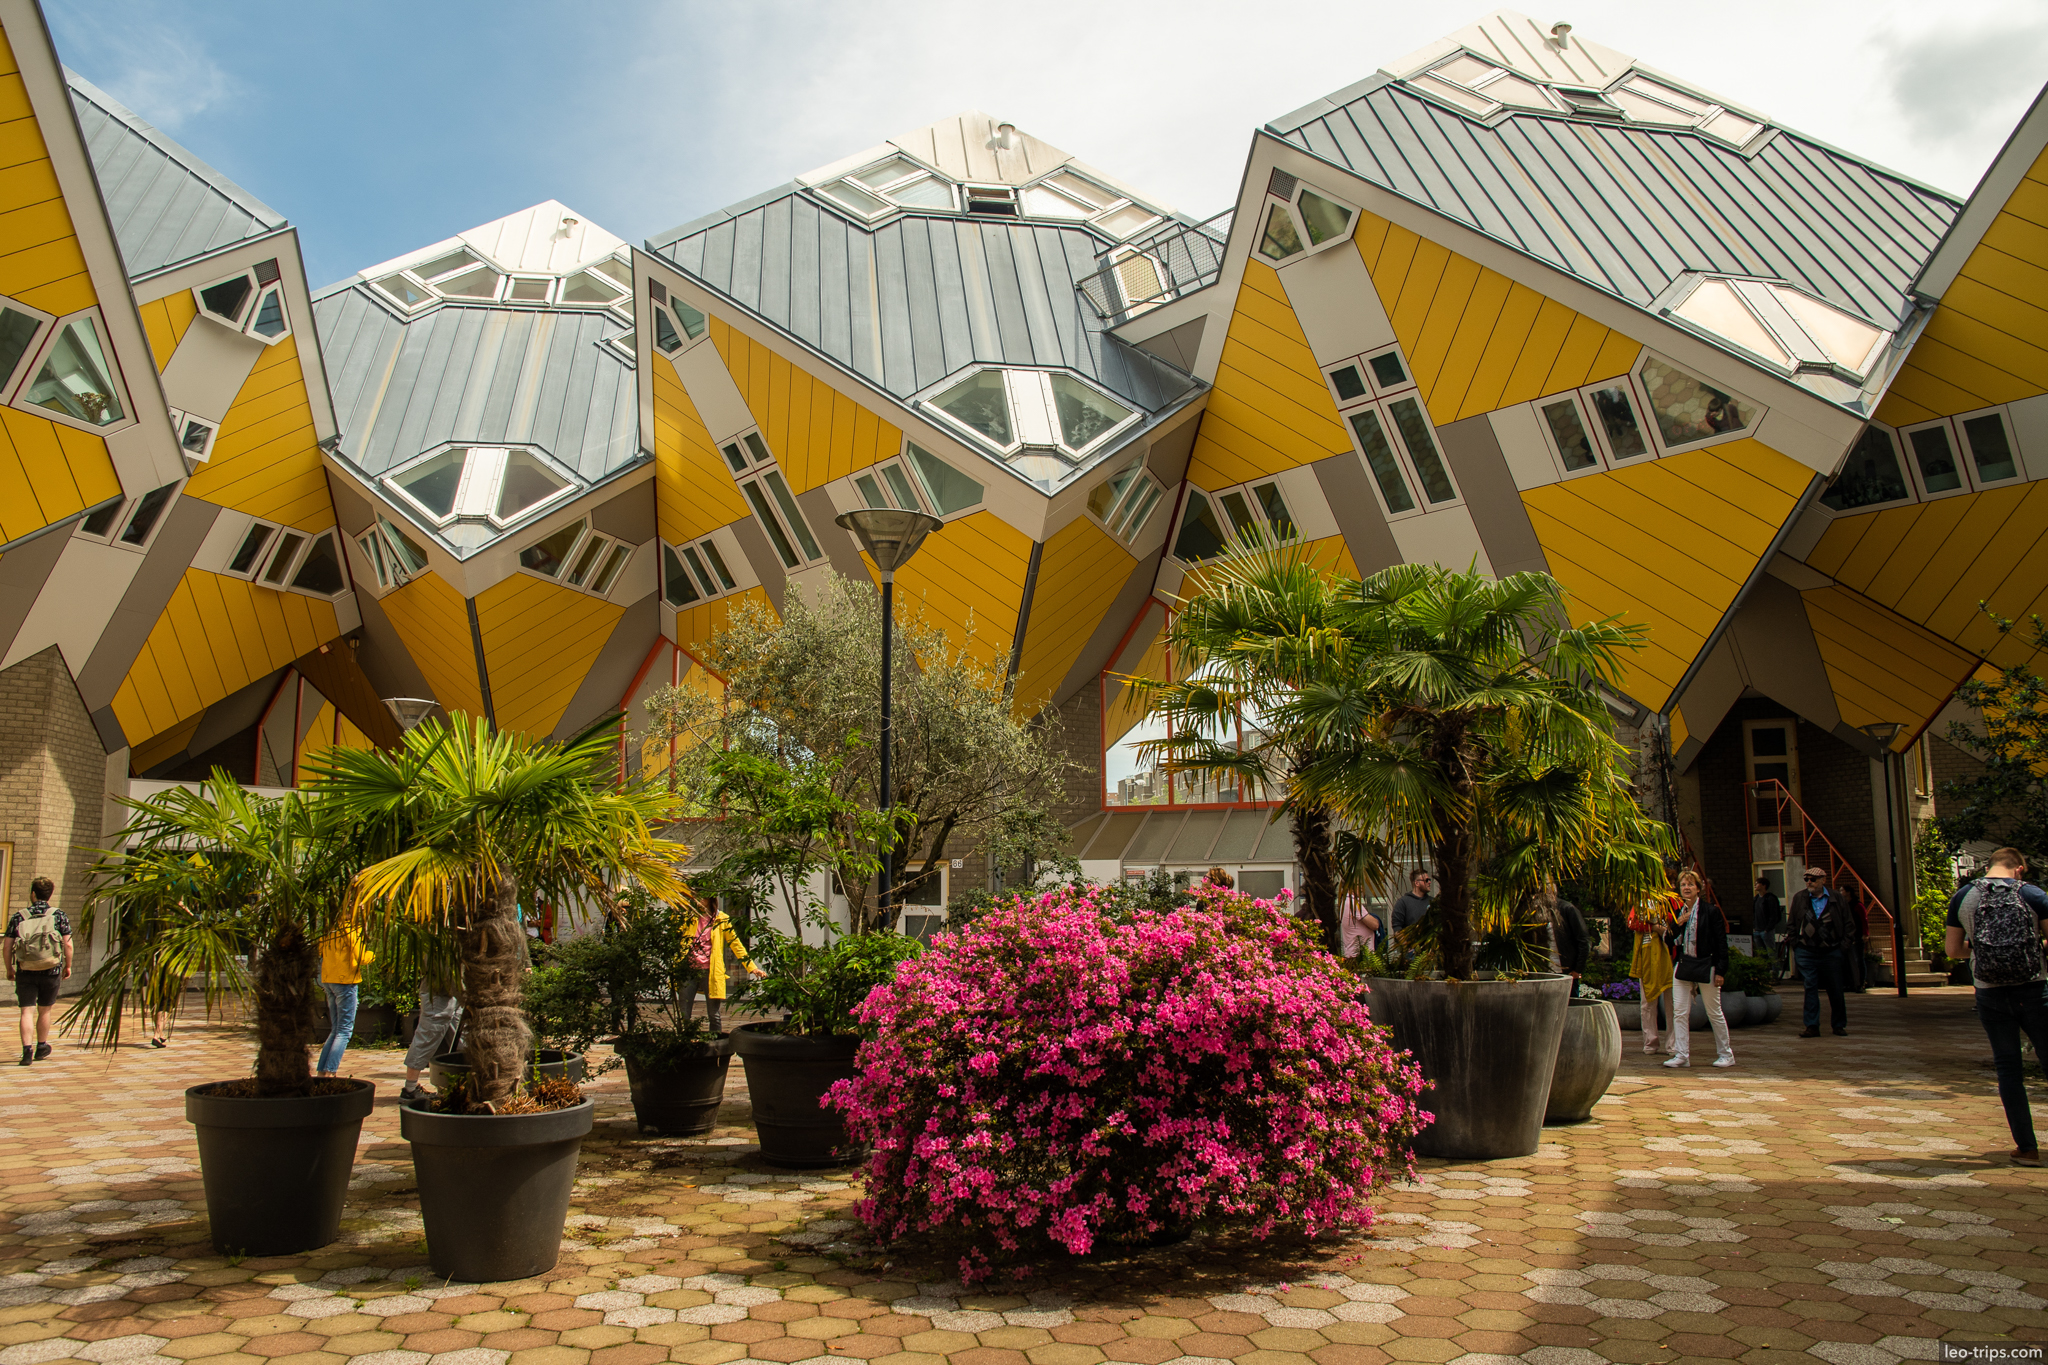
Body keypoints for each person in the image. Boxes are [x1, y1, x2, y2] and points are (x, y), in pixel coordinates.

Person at [1943, 847, 2048, 1168]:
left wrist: (1981, 948)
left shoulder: (1963, 897)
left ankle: (2027, 1148)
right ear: (2018, 868)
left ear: (1989, 866)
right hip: (2033, 988)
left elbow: (1952, 950)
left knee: (2008, 1069)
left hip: (1990, 992)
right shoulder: (2032, 893)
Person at [1666, 870, 1734, 1068]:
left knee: (1714, 1011)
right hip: (1684, 964)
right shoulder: (1678, 912)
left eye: (1690, 885)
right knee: (1679, 1011)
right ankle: (1681, 1054)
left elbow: (1721, 942)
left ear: (1698, 889)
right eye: (1683, 885)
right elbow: (1670, 940)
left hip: (1707, 964)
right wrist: (1679, 923)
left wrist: (1721, 970)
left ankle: (1726, 1053)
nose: (1686, 888)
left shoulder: (1710, 911)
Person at [5, 877, 71, 1066]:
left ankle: (27, 1051)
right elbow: (68, 944)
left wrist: (9, 968)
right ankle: (41, 1046)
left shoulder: (19, 916)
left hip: (25, 969)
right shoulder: (59, 915)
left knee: (26, 1011)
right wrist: (67, 965)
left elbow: (7, 946)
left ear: (32, 894)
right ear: (49, 895)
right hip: (51, 969)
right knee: (45, 1010)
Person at [680, 899, 765, 1033]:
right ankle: (683, 1042)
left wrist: (752, 967)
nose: (698, 901)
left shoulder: (721, 919)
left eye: (702, 898)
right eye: (696, 897)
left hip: (711, 970)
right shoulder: (688, 918)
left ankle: (716, 1044)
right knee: (684, 1013)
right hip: (689, 969)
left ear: (710, 900)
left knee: (714, 1014)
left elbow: (736, 944)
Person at [1789, 869, 1850, 1036]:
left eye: (1813, 879)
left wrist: (1843, 946)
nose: (1809, 882)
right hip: (1807, 950)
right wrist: (1796, 944)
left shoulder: (1836, 898)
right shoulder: (1800, 898)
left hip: (1831, 950)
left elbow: (1848, 924)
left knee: (1835, 988)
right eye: (1806, 879)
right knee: (1810, 986)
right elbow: (1792, 923)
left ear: (1823, 880)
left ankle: (1838, 1025)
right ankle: (1811, 1026)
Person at [400, 954, 463, 1104]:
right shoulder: (437, 937)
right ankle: (409, 1090)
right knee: (426, 1038)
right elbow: (443, 970)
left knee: (463, 1040)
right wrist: (463, 994)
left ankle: (462, 1087)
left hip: (454, 993)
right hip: (437, 993)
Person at [316, 921, 373, 1077]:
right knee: (344, 1031)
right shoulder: (351, 928)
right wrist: (372, 955)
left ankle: (322, 1072)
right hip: (345, 981)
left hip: (328, 980)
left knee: (335, 1030)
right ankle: (330, 1072)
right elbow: (360, 957)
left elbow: (320, 951)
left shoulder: (329, 927)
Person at [1629, 898, 1674, 1054]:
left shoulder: (1673, 902)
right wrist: (1654, 927)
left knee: (1673, 1003)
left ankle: (1673, 1044)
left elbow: (1676, 923)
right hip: (1647, 955)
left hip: (1671, 955)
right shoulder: (1641, 902)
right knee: (1647, 1002)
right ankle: (1650, 1042)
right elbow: (1633, 923)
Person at [1542, 884, 1589, 984]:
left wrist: (1577, 969)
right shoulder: (1539, 911)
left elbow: (1583, 941)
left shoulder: (1568, 909)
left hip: (1567, 972)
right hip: (1545, 972)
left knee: (1570, 999)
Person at [1752, 877, 1784, 980]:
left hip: (1766, 931)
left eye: (1757, 884)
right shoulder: (1756, 898)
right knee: (1762, 954)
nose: (1755, 885)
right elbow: (1753, 913)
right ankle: (1764, 975)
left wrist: (1768, 928)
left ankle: (1774, 974)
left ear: (1763, 885)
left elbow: (1774, 915)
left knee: (1771, 953)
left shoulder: (1770, 898)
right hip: (1757, 930)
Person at [1390, 870, 1433, 939]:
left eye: (1429, 880)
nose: (1429, 882)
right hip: (1411, 947)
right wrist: (1407, 946)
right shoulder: (1403, 903)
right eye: (1426, 880)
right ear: (1417, 883)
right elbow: (1397, 928)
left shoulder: (1432, 902)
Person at [1339, 892, 1381, 958]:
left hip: (1354, 953)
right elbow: (1374, 925)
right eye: (1359, 884)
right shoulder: (1352, 903)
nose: (1362, 888)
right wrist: (1376, 919)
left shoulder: (1345, 901)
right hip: (1359, 956)